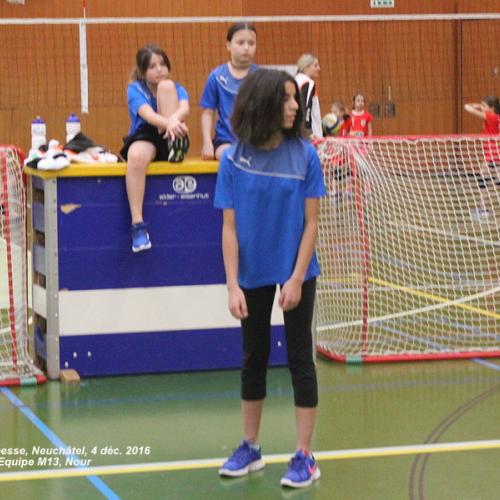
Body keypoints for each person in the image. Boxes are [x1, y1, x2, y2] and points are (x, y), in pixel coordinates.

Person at [214, 69, 326, 489]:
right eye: (287, 99)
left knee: (300, 358)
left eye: (296, 98)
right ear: (263, 103)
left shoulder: (305, 155)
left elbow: (311, 223)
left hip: (296, 268)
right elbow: (229, 227)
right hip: (251, 272)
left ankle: (305, 456)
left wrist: (296, 278)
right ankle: (251, 446)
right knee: (253, 356)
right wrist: (232, 285)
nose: (295, 106)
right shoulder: (233, 158)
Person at [120, 44, 190, 253]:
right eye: (152, 66)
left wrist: (173, 123)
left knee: (166, 86)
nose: (159, 69)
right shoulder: (135, 89)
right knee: (135, 157)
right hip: (147, 134)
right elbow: (147, 115)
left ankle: (175, 146)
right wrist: (170, 123)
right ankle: (138, 225)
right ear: (142, 71)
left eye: (162, 64)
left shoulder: (175, 87)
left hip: (173, 133)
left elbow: (185, 108)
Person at [200, 23, 258, 160]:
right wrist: (207, 143)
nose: (246, 48)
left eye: (251, 43)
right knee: (227, 156)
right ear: (228, 45)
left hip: (255, 141)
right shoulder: (216, 76)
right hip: (225, 141)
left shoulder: (261, 76)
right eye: (241, 42)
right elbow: (208, 113)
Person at [464, 96, 500, 220]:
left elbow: (467, 107)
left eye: (484, 106)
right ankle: (482, 208)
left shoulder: (491, 116)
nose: (482, 108)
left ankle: (483, 209)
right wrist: (482, 106)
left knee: (485, 180)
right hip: (493, 155)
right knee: (486, 179)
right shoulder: (496, 118)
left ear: (492, 108)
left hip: (493, 155)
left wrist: (478, 106)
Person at [295, 54, 323, 140]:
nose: (319, 68)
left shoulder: (295, 79)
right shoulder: (308, 83)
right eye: (315, 65)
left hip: (296, 132)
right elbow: (306, 108)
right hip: (311, 136)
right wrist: (308, 132)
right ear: (306, 67)